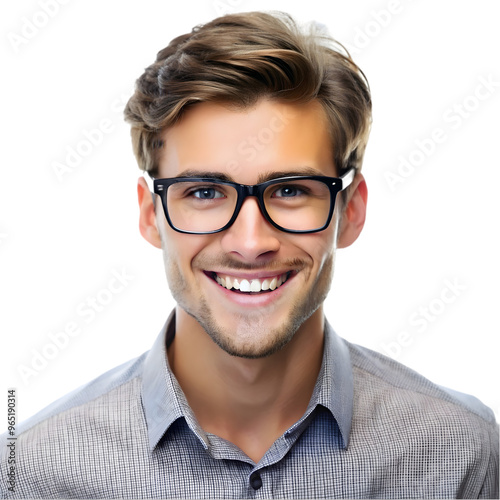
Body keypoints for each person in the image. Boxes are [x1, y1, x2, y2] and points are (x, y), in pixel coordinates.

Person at [1, 10, 498, 499]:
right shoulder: (33, 469)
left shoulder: (461, 453)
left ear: (350, 212)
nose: (250, 242)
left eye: (289, 191)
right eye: (203, 192)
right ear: (151, 215)